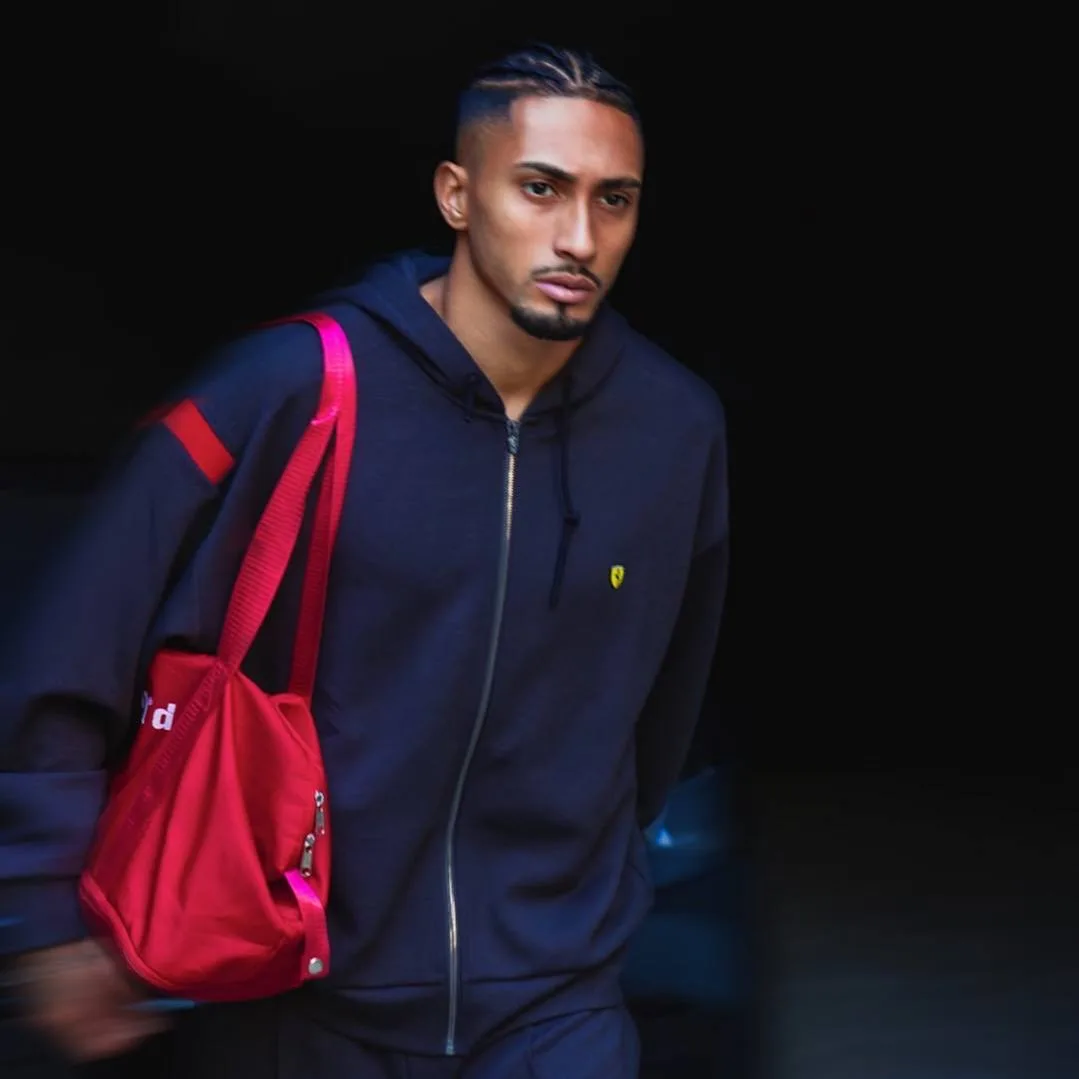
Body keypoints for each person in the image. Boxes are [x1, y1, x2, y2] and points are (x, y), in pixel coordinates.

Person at [0, 43, 729, 1078]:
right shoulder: (281, 387)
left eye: (613, 199)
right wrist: (42, 908)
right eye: (539, 188)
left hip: (556, 1004)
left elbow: (667, 706)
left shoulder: (674, 430)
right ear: (456, 194)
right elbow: (79, 640)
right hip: (298, 991)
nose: (579, 236)